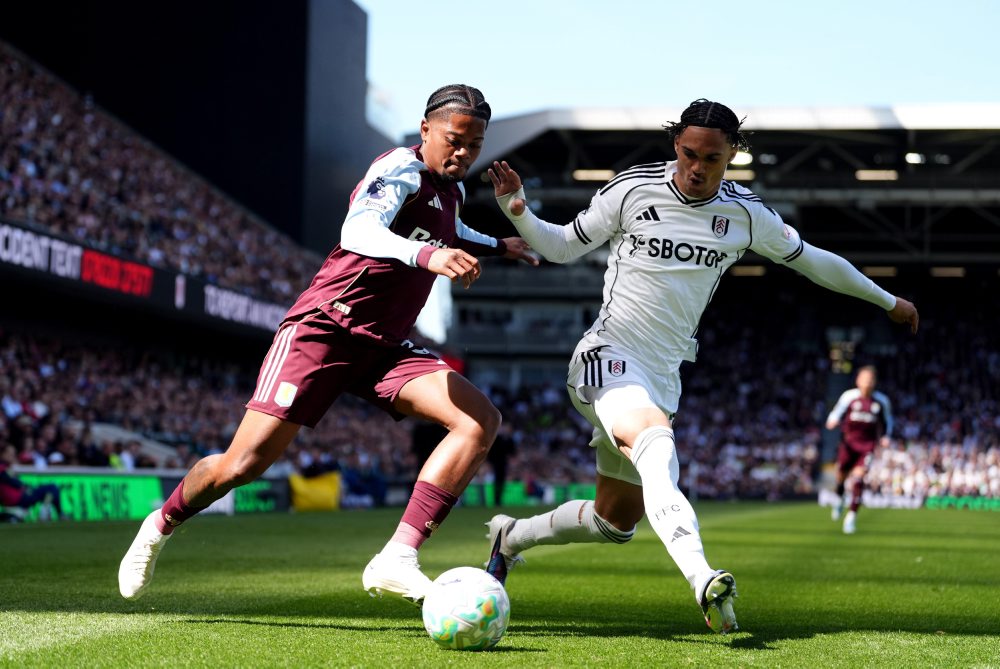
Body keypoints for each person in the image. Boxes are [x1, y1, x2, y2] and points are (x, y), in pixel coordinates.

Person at [484, 98, 919, 635]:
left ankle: (509, 538)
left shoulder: (744, 214)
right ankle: (702, 579)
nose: (697, 167)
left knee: (614, 522)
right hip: (606, 354)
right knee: (656, 440)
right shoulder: (631, 189)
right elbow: (561, 247)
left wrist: (886, 300)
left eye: (711, 159)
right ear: (676, 146)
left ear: (732, 155)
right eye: (689, 154)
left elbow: (815, 262)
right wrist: (517, 209)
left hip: (663, 376)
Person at [118, 84, 538, 605]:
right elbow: (360, 229)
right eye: (455, 140)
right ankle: (159, 525)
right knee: (242, 466)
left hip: (384, 346)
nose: (463, 154)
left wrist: (501, 245)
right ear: (426, 129)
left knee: (480, 420)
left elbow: (451, 232)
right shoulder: (398, 169)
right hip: (324, 329)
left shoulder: (450, 191)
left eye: (474, 145)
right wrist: (428, 258)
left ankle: (398, 557)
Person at [825, 365, 892, 534]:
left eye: (871, 380)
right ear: (858, 381)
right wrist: (832, 420)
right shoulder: (849, 397)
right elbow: (836, 412)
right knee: (840, 476)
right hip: (848, 444)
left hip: (867, 446)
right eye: (865, 379)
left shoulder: (881, 401)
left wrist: (885, 436)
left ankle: (851, 518)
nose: (867, 383)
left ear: (875, 382)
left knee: (859, 479)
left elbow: (888, 422)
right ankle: (840, 499)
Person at [0, 444, 65, 520]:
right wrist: (24, 486)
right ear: (2, 454)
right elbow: (14, 482)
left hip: (17, 498)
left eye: (13, 454)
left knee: (51, 489)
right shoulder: (2, 468)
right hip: (19, 499)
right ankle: (51, 511)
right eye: (10, 454)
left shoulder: (6, 467)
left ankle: (47, 507)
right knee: (52, 487)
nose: (13, 456)